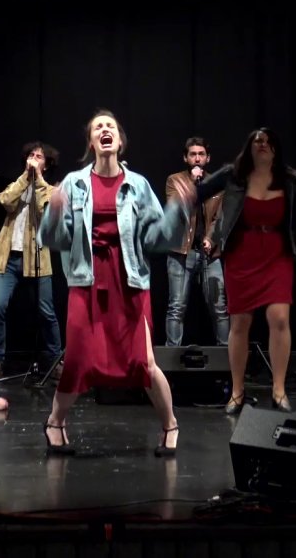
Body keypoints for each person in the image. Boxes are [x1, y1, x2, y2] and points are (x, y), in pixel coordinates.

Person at [38, 109, 194, 456]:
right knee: (76, 359)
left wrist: (177, 211)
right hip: (87, 280)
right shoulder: (74, 183)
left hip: (129, 281)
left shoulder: (137, 185)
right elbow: (56, 239)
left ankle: (170, 425)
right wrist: (54, 213)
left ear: (119, 142)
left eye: (110, 127)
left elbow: (156, 238)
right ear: (92, 142)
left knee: (143, 361)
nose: (105, 130)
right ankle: (55, 423)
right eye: (98, 127)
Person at [202, 128, 296, 414]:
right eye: (258, 141)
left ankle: (279, 390)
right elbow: (199, 192)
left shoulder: (290, 180)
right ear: (249, 146)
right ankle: (237, 392)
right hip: (242, 252)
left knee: (279, 317)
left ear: (276, 149)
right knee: (240, 323)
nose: (263, 145)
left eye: (269, 142)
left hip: (276, 253)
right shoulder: (233, 175)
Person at [0, 141, 63, 380]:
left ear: (46, 164)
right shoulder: (17, 184)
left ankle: (56, 361)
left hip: (37, 258)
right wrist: (25, 178)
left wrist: (37, 180)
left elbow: (44, 209)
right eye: (31, 155)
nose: (34, 159)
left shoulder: (50, 189)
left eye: (39, 157)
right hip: (7, 258)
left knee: (46, 312)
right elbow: (5, 201)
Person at [163, 136, 229, 347]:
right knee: (176, 307)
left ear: (208, 158)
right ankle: (171, 358)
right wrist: (192, 183)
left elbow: (220, 217)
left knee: (219, 307)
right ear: (186, 158)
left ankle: (225, 358)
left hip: (210, 253)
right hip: (181, 252)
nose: (197, 159)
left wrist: (210, 238)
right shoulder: (174, 181)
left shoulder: (217, 184)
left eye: (201, 154)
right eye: (193, 154)